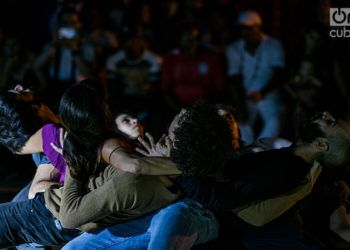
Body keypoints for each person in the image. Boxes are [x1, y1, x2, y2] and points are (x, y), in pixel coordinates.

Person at [226, 10, 286, 144]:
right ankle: (250, 151)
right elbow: (234, 80)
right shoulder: (234, 48)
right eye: (242, 29)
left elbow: (280, 74)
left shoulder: (273, 45)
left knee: (275, 120)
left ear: (258, 27)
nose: (244, 32)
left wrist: (262, 92)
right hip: (246, 96)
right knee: (241, 125)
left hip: (269, 94)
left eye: (248, 28)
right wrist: (240, 106)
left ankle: (260, 150)